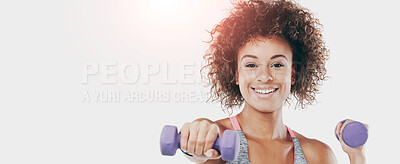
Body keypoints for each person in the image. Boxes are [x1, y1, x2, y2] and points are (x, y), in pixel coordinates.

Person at [179, 0, 368, 163]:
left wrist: (356, 156)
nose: (264, 76)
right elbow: (201, 148)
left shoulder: (316, 154)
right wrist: (197, 136)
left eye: (277, 65)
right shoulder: (219, 139)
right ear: (236, 75)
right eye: (251, 65)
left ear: (293, 74)